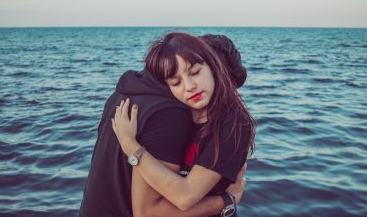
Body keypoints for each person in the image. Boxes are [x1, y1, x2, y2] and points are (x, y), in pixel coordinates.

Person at [80, 33, 249, 217]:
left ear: (213, 68)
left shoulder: (232, 125)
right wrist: (225, 201)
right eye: (176, 81)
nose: (189, 86)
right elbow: (147, 212)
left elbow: (185, 196)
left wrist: (131, 147)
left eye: (195, 72)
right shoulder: (170, 115)